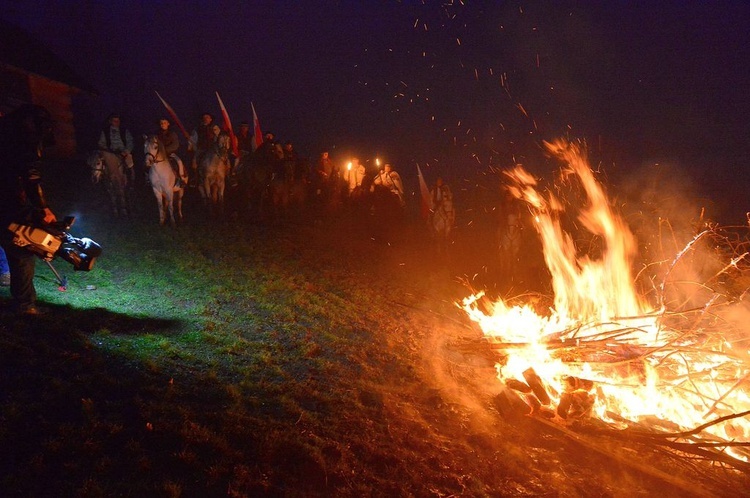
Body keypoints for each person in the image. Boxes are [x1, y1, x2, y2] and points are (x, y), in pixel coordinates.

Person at [0, 104, 58, 315]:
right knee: (21, 251)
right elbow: (31, 175)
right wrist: (43, 208)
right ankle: (24, 305)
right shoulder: (19, 140)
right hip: (9, 202)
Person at [98, 113, 134, 182]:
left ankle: (131, 180)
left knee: (129, 162)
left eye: (118, 121)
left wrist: (126, 151)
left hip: (123, 151)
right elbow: (101, 143)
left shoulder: (124, 130)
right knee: (100, 162)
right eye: (115, 121)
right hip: (111, 152)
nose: (117, 123)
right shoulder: (105, 131)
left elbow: (130, 142)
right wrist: (107, 149)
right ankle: (101, 180)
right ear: (110, 122)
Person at [156, 117, 186, 187]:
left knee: (179, 162)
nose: (162, 124)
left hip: (170, 153)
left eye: (164, 123)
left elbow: (175, 144)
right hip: (160, 154)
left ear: (168, 124)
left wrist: (166, 150)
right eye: (161, 123)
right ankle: (149, 178)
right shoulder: (157, 134)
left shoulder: (172, 133)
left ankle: (181, 179)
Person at [189, 112, 215, 185]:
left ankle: (229, 176)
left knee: (225, 160)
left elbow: (218, 138)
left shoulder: (215, 128)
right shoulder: (197, 129)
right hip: (201, 148)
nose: (206, 119)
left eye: (207, 117)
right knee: (194, 161)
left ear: (210, 119)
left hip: (212, 149)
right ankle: (195, 177)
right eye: (204, 117)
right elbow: (193, 139)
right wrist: (191, 145)